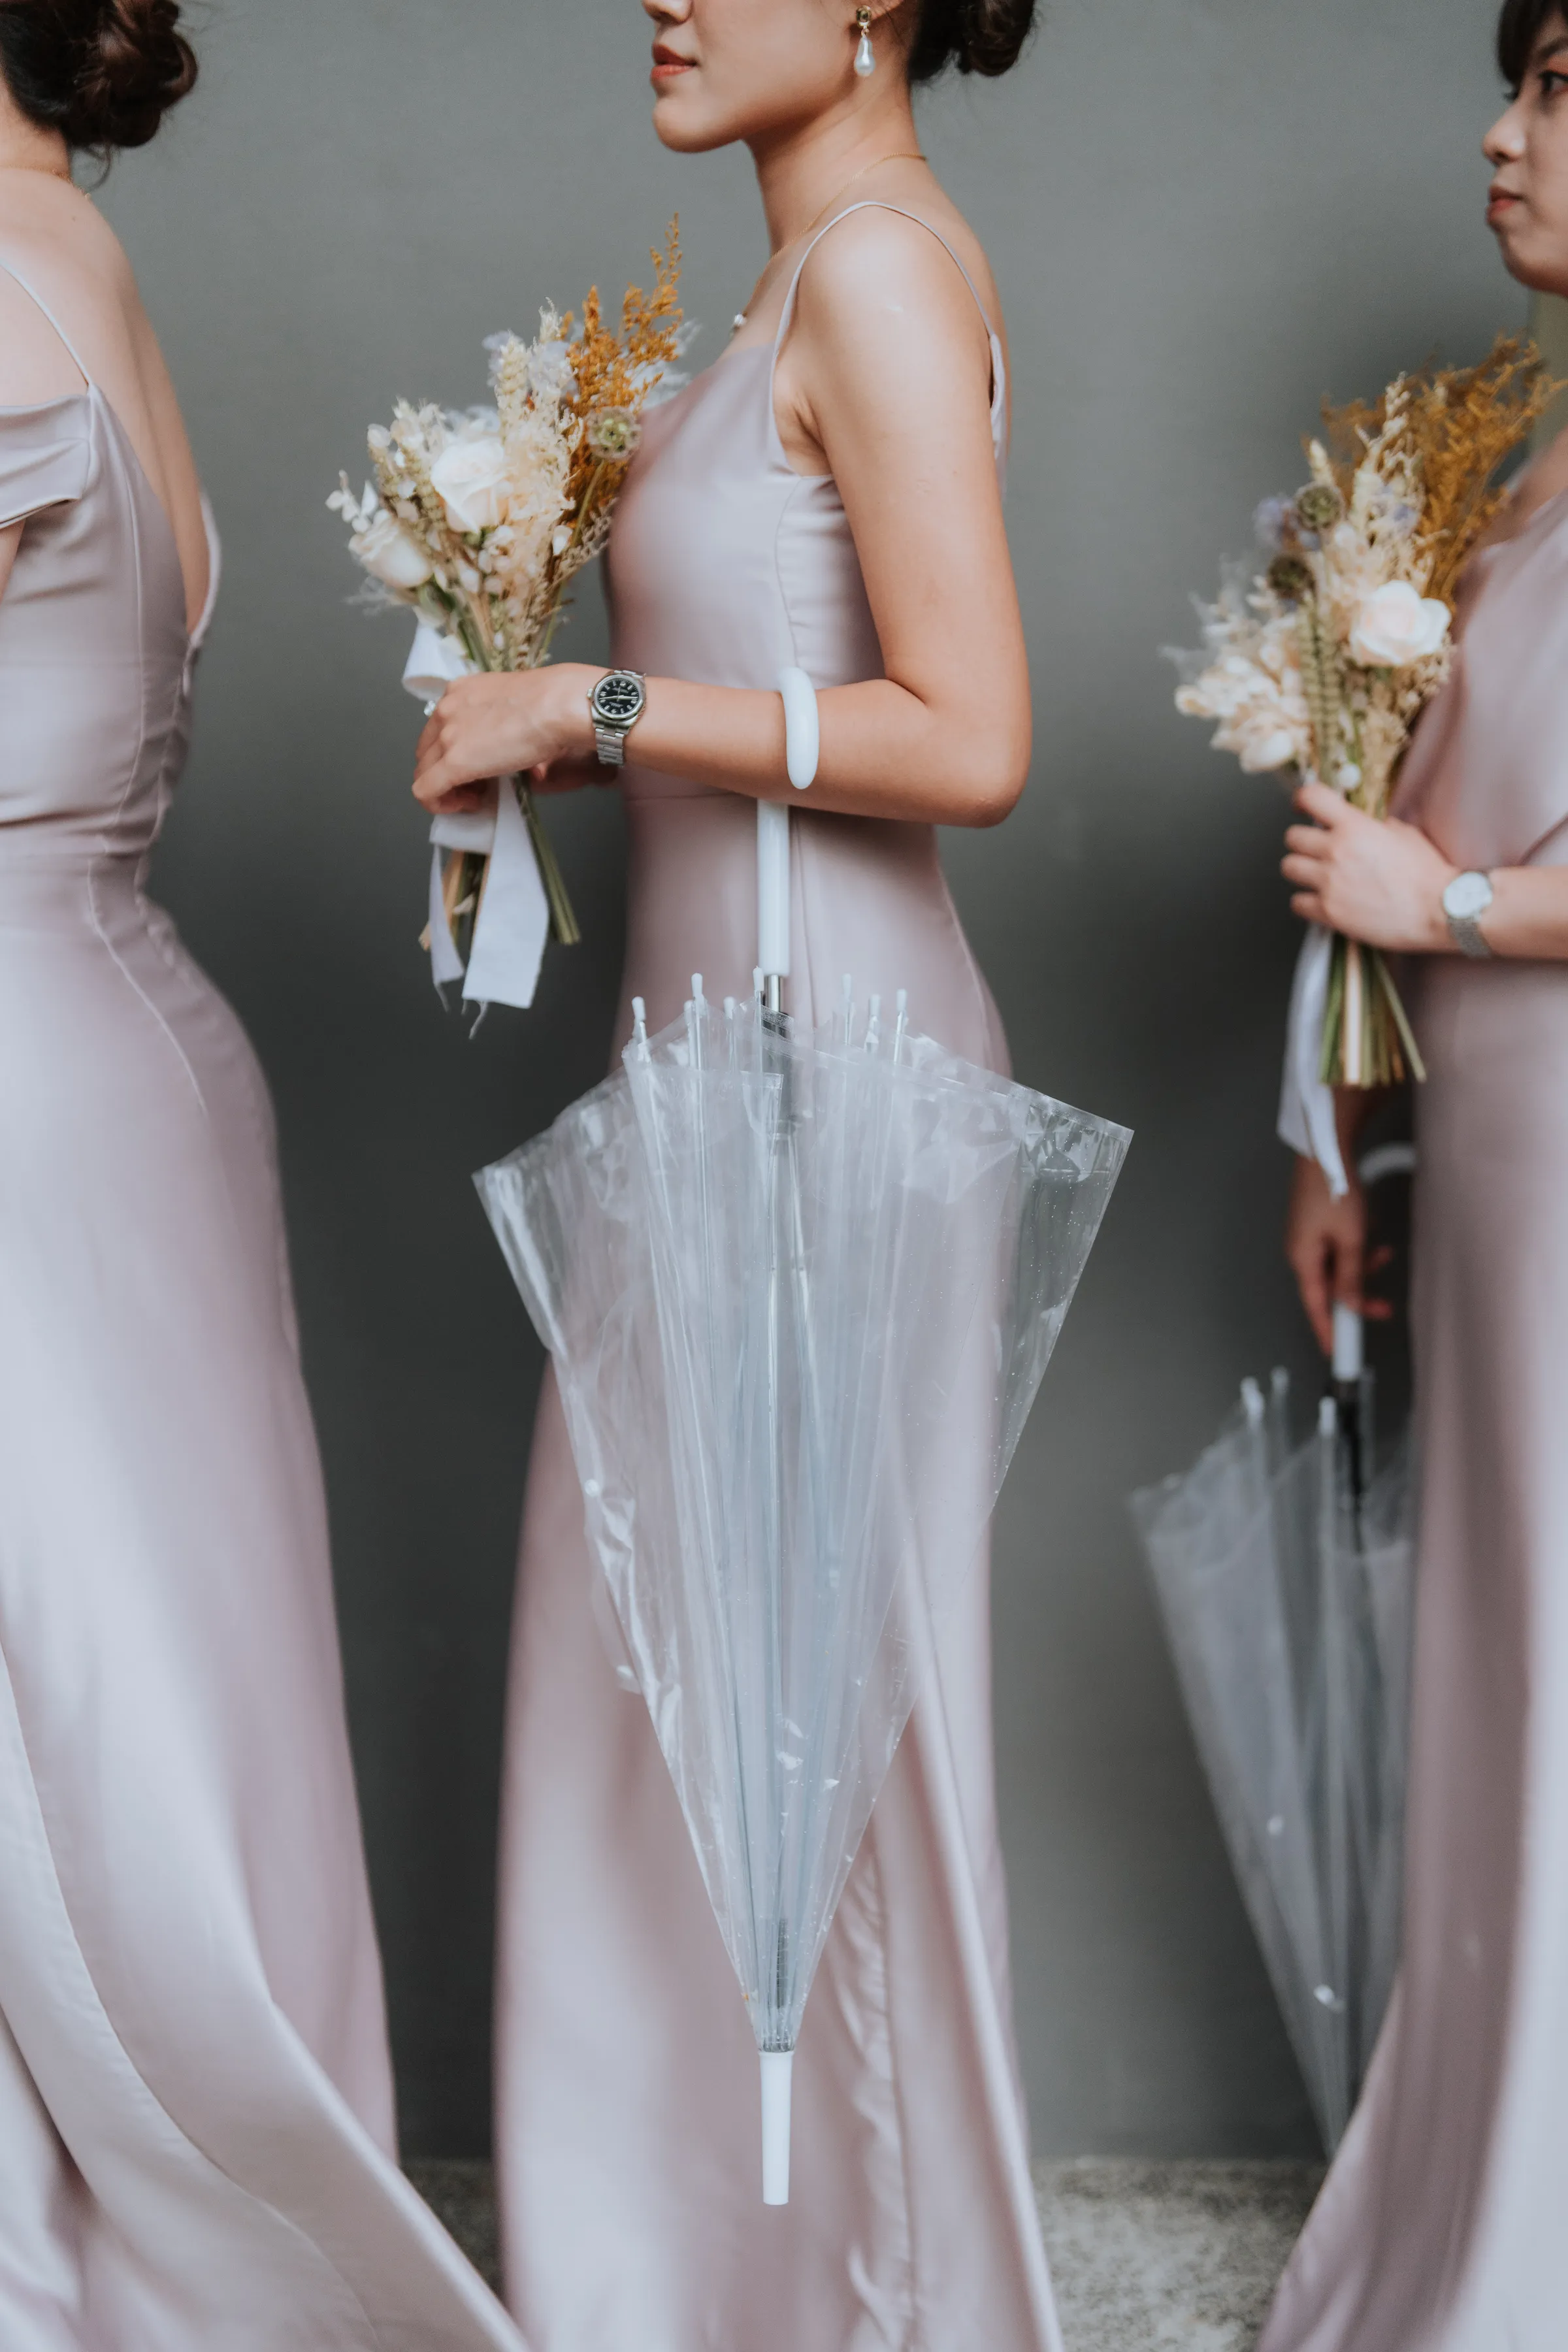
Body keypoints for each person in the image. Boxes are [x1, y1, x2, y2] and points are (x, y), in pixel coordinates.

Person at [412, 0, 1059, 2344]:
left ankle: (871, 2301)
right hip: (718, 1063)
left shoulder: (876, 265)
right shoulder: (798, 276)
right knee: (669, 1717)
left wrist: (586, 703)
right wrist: (578, 749)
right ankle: (691, 2288)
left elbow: (969, 734)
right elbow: (795, 674)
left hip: (819, 1080)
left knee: (813, 1748)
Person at [0, 7, 526, 2343]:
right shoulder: (86, 266)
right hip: (128, 1039)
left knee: (86, 1741)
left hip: (28, 1074)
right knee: (153, 1712)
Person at [1264, 5, 1568, 2344]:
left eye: (1562, 82)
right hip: (1488, 1149)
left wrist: (1442, 910)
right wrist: (1338, 1124)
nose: (1505, 127)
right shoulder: (1527, 470)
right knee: (1503, 1674)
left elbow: (1430, 870)